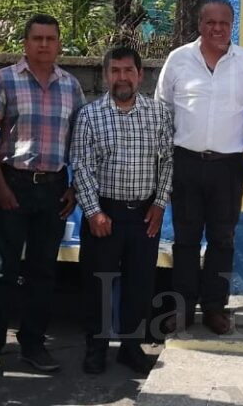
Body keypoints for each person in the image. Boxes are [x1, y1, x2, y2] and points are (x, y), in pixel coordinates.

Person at [0, 14, 84, 377]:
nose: (43, 44)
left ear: (58, 44)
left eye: (50, 38)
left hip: (54, 187)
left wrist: (73, 188)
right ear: (25, 43)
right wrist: (0, 186)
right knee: (1, 269)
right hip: (14, 183)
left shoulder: (71, 86)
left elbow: (81, 142)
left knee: (43, 271)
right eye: (37, 38)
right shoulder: (4, 80)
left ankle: (34, 345)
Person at [155, 0, 243, 336]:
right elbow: (162, 112)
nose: (217, 29)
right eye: (210, 22)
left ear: (232, 25)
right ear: (199, 24)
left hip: (229, 165)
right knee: (185, 239)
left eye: (224, 23)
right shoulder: (178, 60)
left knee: (222, 238)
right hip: (184, 161)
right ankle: (184, 308)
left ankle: (216, 308)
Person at [71, 46, 175, 375]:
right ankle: (96, 348)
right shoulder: (90, 115)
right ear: (105, 76)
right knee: (98, 283)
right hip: (104, 213)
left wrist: (159, 204)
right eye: (115, 71)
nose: (122, 77)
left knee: (139, 283)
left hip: (144, 214)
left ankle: (131, 348)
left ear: (140, 74)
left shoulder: (158, 114)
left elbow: (169, 162)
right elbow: (81, 166)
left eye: (128, 70)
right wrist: (93, 212)